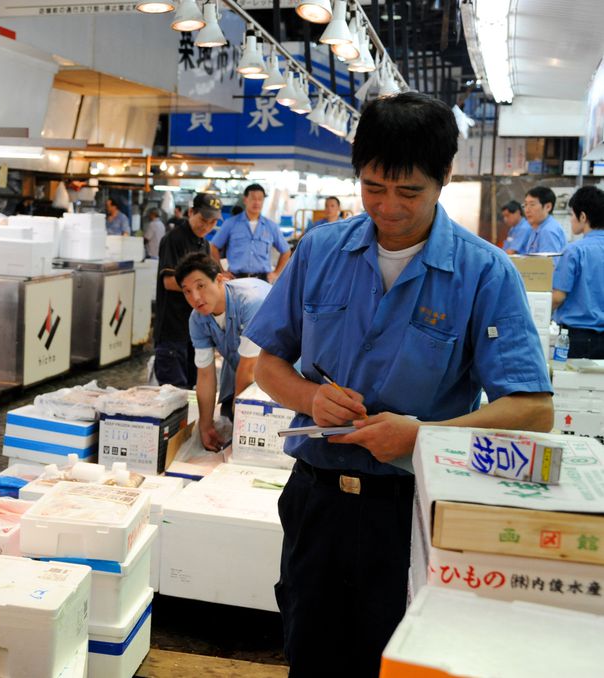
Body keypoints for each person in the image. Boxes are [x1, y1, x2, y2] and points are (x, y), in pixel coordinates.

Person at [246, 92, 553, 677]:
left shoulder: (484, 272)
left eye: (408, 191)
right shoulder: (320, 249)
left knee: (401, 664)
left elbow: (532, 410)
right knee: (308, 653)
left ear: (444, 178)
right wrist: (310, 397)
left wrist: (422, 437)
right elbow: (268, 366)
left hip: (413, 510)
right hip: (317, 500)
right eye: (372, 187)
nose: (387, 207)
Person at [176, 251, 270, 449]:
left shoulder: (251, 302)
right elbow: (205, 374)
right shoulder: (197, 319)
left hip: (282, 371)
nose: (195, 297)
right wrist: (205, 424)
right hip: (242, 371)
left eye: (200, 286)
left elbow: (249, 368)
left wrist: (241, 422)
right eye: (187, 291)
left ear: (219, 279)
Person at [154, 193, 221, 389]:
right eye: (203, 219)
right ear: (191, 212)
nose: (207, 226)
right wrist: (202, 287)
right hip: (172, 330)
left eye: (212, 222)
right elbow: (168, 281)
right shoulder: (173, 239)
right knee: (174, 391)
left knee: (193, 388)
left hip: (195, 330)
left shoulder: (205, 244)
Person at [552, 185, 604, 359]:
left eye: (572, 215)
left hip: (577, 338)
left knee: (573, 385)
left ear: (583, 216)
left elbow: (558, 297)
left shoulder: (575, 251)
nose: (571, 219)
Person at [210, 183, 291, 283]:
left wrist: (276, 273)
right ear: (245, 200)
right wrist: (221, 271)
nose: (257, 202)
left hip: (262, 281)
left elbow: (286, 251)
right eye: (253, 198)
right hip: (236, 279)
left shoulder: (271, 226)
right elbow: (213, 246)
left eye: (260, 199)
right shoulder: (231, 223)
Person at [524, 186, 567, 254]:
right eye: (525, 205)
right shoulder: (538, 227)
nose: (527, 210)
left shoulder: (548, 231)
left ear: (548, 207)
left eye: (532, 204)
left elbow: (550, 264)